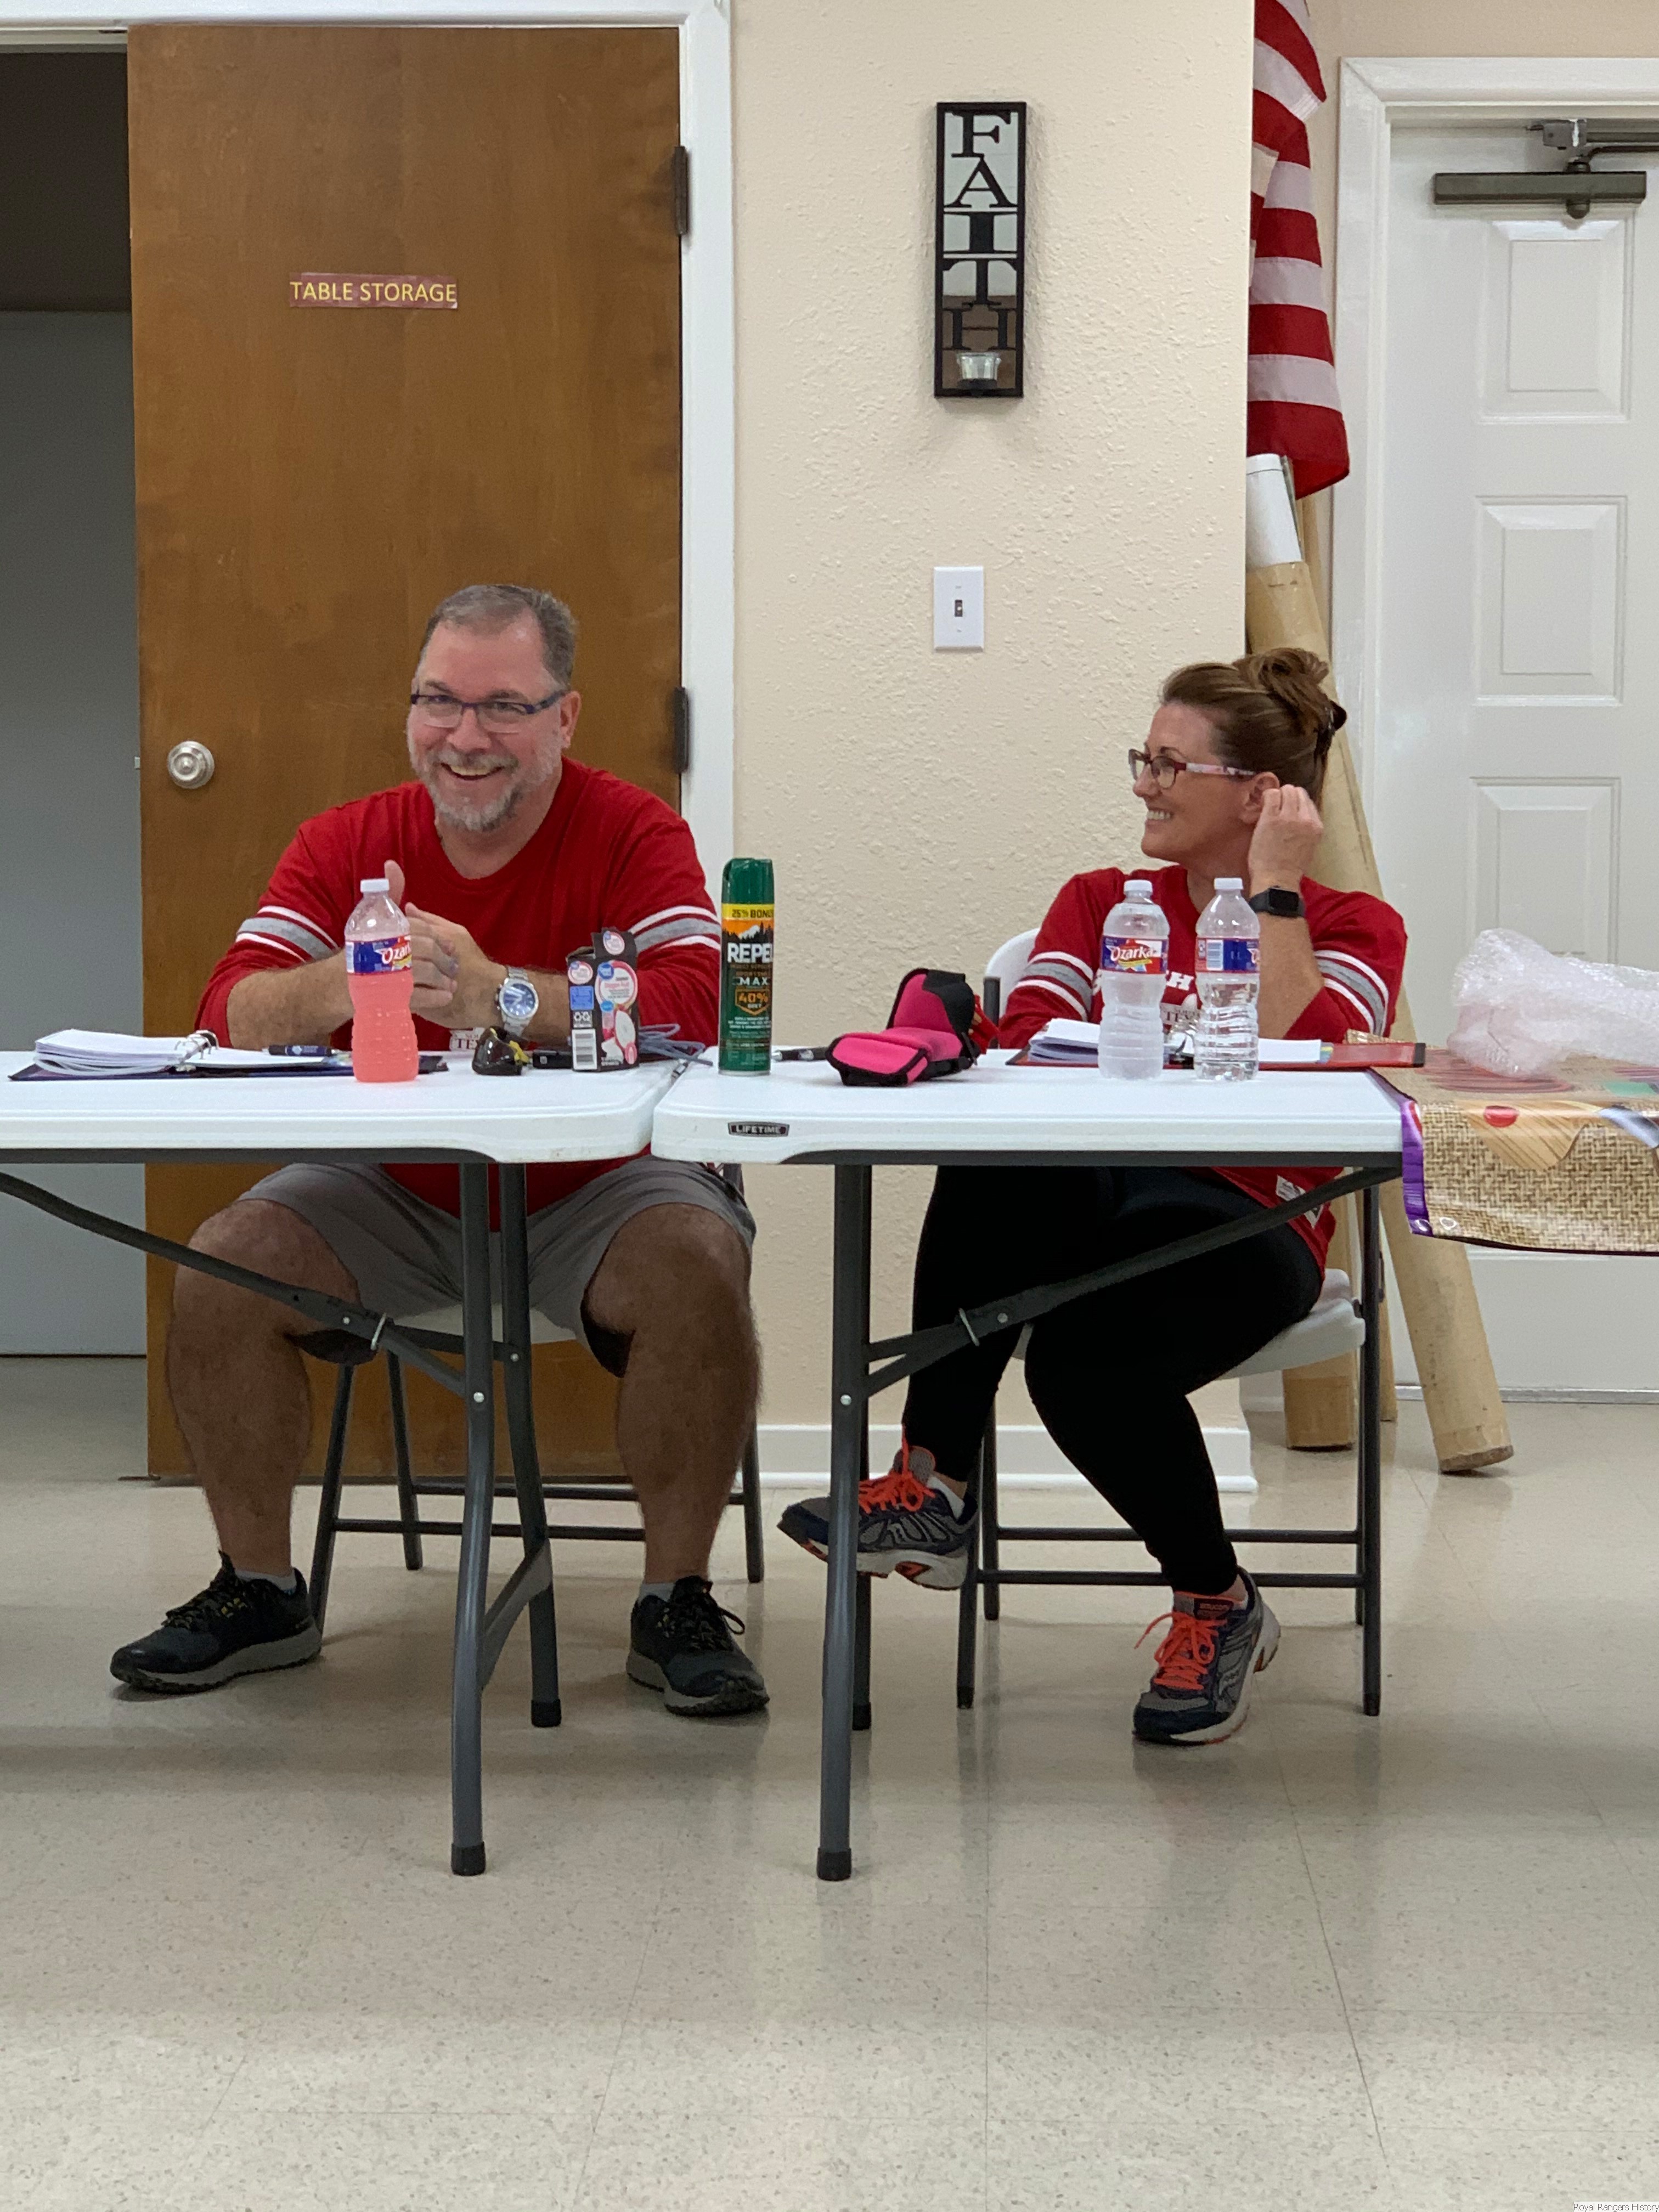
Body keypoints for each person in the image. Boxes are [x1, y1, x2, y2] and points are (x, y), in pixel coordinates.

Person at [111, 584, 768, 1718]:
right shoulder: (345, 840)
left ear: (565, 719)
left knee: (698, 1268)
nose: (465, 737)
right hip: (390, 1183)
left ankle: (677, 1600)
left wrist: (498, 994)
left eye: (504, 705)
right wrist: (353, 974)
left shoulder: (634, 830)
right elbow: (226, 1010)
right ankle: (260, 1589)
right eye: (438, 702)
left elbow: (700, 1003)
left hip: (602, 1184)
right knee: (222, 1266)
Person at [781, 648, 1405, 1746]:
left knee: (1079, 1369)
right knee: (995, 1165)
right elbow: (1025, 1053)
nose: (1144, 785)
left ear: (1259, 796)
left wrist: (1271, 893)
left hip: (1246, 1218)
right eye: (1143, 759)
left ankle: (1218, 1605)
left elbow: (1308, 1058)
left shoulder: (1353, 925)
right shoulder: (1099, 903)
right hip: (1094, 1190)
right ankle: (933, 1487)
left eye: (1170, 765)